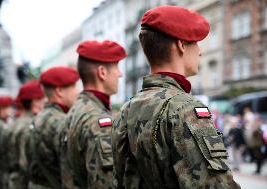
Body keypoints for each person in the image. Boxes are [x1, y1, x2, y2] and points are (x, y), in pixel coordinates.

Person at [111, 5, 240, 189]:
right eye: (196, 42)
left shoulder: (126, 109)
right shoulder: (184, 108)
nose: (200, 51)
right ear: (181, 45)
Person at [65, 40, 126, 189]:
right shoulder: (98, 121)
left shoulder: (75, 110)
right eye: (116, 67)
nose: (120, 74)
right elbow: (104, 183)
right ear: (102, 72)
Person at [29, 66, 79, 189]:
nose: (77, 92)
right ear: (59, 91)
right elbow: (68, 173)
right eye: (73, 87)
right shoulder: (61, 121)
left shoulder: (39, 117)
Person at [8, 80, 45, 189]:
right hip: (24, 181)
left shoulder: (16, 124)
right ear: (35, 102)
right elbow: (25, 164)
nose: (46, 101)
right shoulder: (30, 125)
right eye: (43, 98)